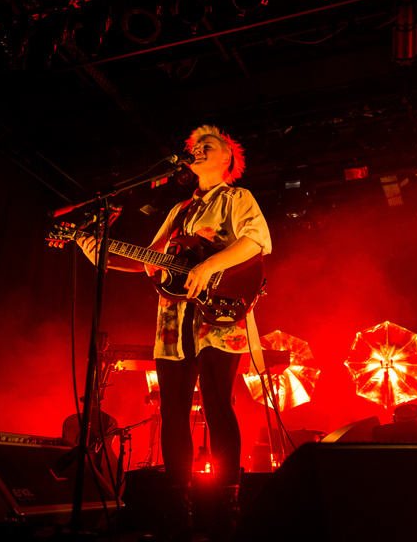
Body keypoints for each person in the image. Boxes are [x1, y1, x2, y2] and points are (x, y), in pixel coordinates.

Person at [76, 125, 271, 542]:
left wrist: (207, 266)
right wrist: (98, 250)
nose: (199, 150)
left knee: (219, 406)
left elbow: (256, 241)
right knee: (173, 411)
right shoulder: (178, 210)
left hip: (219, 311)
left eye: (209, 146)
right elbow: (152, 261)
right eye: (195, 147)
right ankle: (178, 509)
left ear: (227, 159)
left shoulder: (237, 198)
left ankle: (227, 509)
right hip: (172, 315)